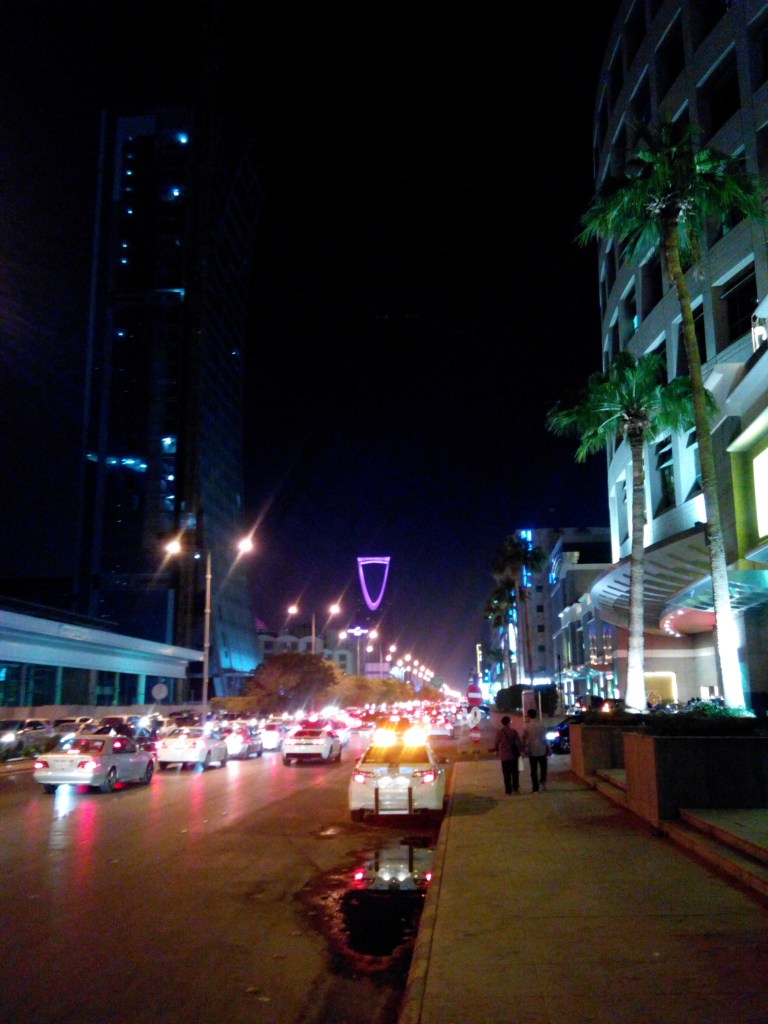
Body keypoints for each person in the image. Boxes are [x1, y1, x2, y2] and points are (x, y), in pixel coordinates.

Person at [492, 715, 523, 794]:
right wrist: (522, 751)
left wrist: (496, 750)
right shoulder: (514, 732)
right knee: (515, 773)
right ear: (509, 722)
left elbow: (496, 743)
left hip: (505, 756)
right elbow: (519, 742)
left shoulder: (500, 732)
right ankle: (515, 788)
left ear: (502, 723)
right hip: (514, 755)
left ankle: (508, 790)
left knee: (506, 774)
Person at [522, 708, 551, 792]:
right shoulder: (542, 725)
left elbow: (525, 738)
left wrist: (525, 748)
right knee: (543, 768)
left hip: (532, 750)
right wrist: (548, 747)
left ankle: (535, 788)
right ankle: (543, 783)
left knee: (533, 770)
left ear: (529, 716)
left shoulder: (527, 727)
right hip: (542, 749)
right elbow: (545, 738)